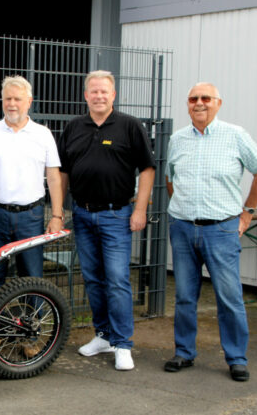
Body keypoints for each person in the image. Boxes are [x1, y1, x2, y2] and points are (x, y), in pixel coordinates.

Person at [164, 82, 257, 382]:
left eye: (205, 98)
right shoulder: (177, 139)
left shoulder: (235, 135)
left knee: (229, 296)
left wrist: (247, 211)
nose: (199, 103)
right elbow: (170, 179)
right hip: (183, 228)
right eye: (193, 99)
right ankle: (184, 352)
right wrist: (181, 206)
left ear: (218, 103)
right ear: (187, 104)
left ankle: (236, 358)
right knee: (185, 296)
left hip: (221, 230)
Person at [57, 70, 156, 371]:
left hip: (117, 215)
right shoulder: (73, 127)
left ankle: (123, 344)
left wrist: (139, 210)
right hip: (83, 214)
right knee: (93, 279)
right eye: (94, 91)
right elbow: (62, 173)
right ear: (85, 95)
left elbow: (148, 169)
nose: (99, 96)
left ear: (114, 95)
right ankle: (103, 336)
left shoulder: (129, 126)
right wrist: (59, 212)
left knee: (117, 280)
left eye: (105, 92)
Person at [0, 75, 64, 300]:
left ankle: (31, 329)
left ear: (29, 101)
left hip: (31, 216)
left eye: (17, 99)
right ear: (2, 101)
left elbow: (54, 177)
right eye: (7, 98)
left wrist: (57, 215)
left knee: (31, 277)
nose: (12, 104)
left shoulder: (43, 134)